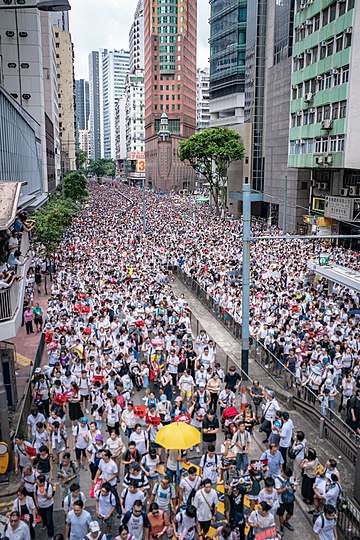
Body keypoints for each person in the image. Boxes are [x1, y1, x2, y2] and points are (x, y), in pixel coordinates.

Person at [275, 466, 296, 535]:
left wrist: (293, 487)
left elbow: (293, 484)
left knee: (290, 513)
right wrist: (285, 489)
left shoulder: (290, 478)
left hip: (290, 499)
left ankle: (286, 521)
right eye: (287, 476)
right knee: (281, 513)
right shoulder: (277, 480)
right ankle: (281, 525)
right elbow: (277, 492)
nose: (288, 478)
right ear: (284, 474)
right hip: (281, 501)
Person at [34, 474, 54, 539]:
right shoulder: (36, 486)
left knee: (49, 520)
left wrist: (46, 494)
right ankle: (44, 523)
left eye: (38, 482)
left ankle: (50, 534)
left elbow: (50, 497)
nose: (37, 484)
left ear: (42, 482)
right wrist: (36, 503)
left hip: (48, 505)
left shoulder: (49, 486)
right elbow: (34, 494)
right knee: (43, 516)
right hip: (40, 505)